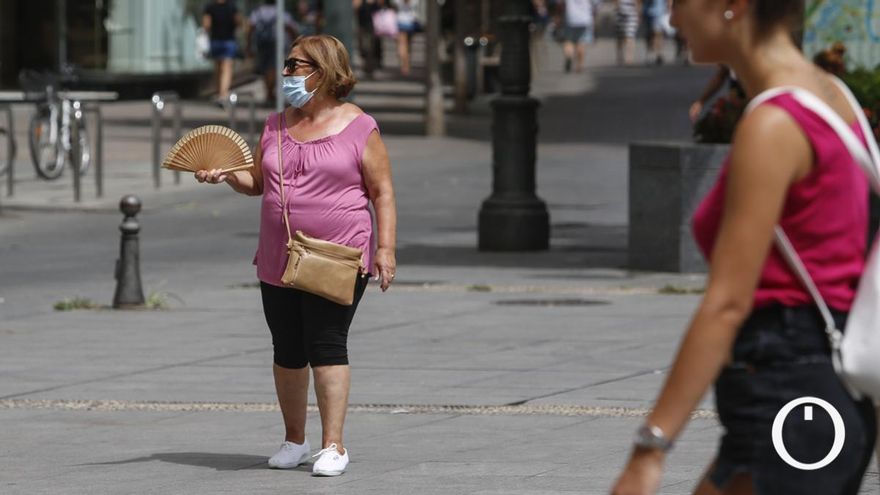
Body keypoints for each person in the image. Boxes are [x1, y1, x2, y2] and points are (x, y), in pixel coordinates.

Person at [611, 1, 877, 494]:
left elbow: (727, 303)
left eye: (679, 3)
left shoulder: (774, 124)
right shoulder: (831, 98)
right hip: (821, 392)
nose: (671, 20)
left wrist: (649, 451)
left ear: (730, 6)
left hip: (786, 389)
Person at [195, 34, 398, 477]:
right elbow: (257, 183)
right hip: (279, 254)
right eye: (287, 64)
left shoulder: (360, 126)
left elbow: (382, 192)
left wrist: (384, 248)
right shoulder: (275, 125)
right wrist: (225, 176)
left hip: (337, 253)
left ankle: (334, 446)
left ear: (324, 72)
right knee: (287, 348)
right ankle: (294, 440)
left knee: (326, 344)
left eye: (295, 65)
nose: (286, 73)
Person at [245, 0, 298, 106]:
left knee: (266, 69)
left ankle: (269, 92)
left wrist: (249, 45)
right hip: (277, 43)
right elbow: (290, 27)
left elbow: (250, 27)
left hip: (262, 43)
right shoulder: (281, 11)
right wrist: (296, 42)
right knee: (273, 68)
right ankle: (270, 92)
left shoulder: (258, 12)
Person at [203, 0, 243, 103]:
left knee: (218, 67)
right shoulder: (232, 6)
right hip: (229, 40)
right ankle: (223, 93)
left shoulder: (210, 7)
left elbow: (206, 25)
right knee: (227, 68)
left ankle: (219, 91)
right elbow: (238, 21)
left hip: (215, 40)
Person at [560, 0, 598, 73]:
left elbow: (560, 3)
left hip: (570, 18)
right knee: (581, 42)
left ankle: (569, 56)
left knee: (568, 41)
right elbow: (596, 3)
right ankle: (580, 65)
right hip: (585, 18)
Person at [394, 0, 421, 76]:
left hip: (401, 21)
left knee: (402, 45)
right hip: (411, 21)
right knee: (408, 45)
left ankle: (405, 65)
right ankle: (406, 64)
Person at [642, 0, 668, 65]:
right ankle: (651, 53)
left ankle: (658, 54)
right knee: (650, 34)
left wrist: (668, 9)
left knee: (658, 34)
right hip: (648, 12)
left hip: (659, 12)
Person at [615, 0, 640, 66]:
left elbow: (637, 3)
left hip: (631, 16)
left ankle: (629, 58)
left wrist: (637, 15)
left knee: (630, 37)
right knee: (620, 37)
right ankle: (620, 55)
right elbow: (615, 2)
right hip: (620, 15)